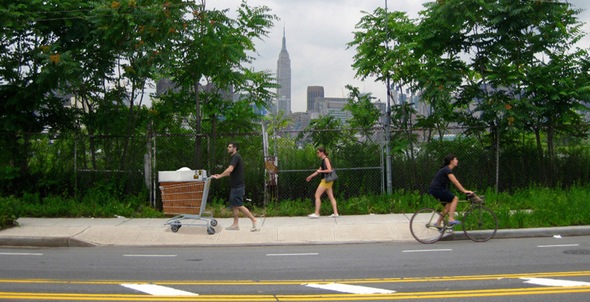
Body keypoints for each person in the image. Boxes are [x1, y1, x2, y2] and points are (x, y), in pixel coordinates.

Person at [211, 142, 259, 232]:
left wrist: (219, 176)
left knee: (239, 205)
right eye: (228, 147)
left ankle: (254, 220)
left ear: (235, 148)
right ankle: (235, 225)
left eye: (229, 147)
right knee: (235, 206)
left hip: (238, 186)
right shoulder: (235, 157)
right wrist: (220, 174)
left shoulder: (236, 157)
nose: (227, 148)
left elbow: (229, 170)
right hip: (235, 186)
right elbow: (230, 173)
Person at [428, 154, 473, 226]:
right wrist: (464, 191)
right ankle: (451, 219)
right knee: (455, 199)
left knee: (448, 207)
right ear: (451, 161)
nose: (457, 161)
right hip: (437, 189)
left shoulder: (446, 169)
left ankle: (437, 223)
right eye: (456, 159)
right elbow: (455, 181)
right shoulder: (447, 170)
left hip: (435, 189)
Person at [306, 147, 339, 218]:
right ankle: (336, 213)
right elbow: (318, 171)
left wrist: (321, 171)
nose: (317, 154)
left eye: (318, 152)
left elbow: (329, 170)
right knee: (331, 197)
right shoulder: (323, 161)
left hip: (325, 181)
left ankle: (317, 213)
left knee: (317, 195)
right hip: (328, 181)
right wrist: (310, 176)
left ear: (322, 152)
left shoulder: (326, 159)